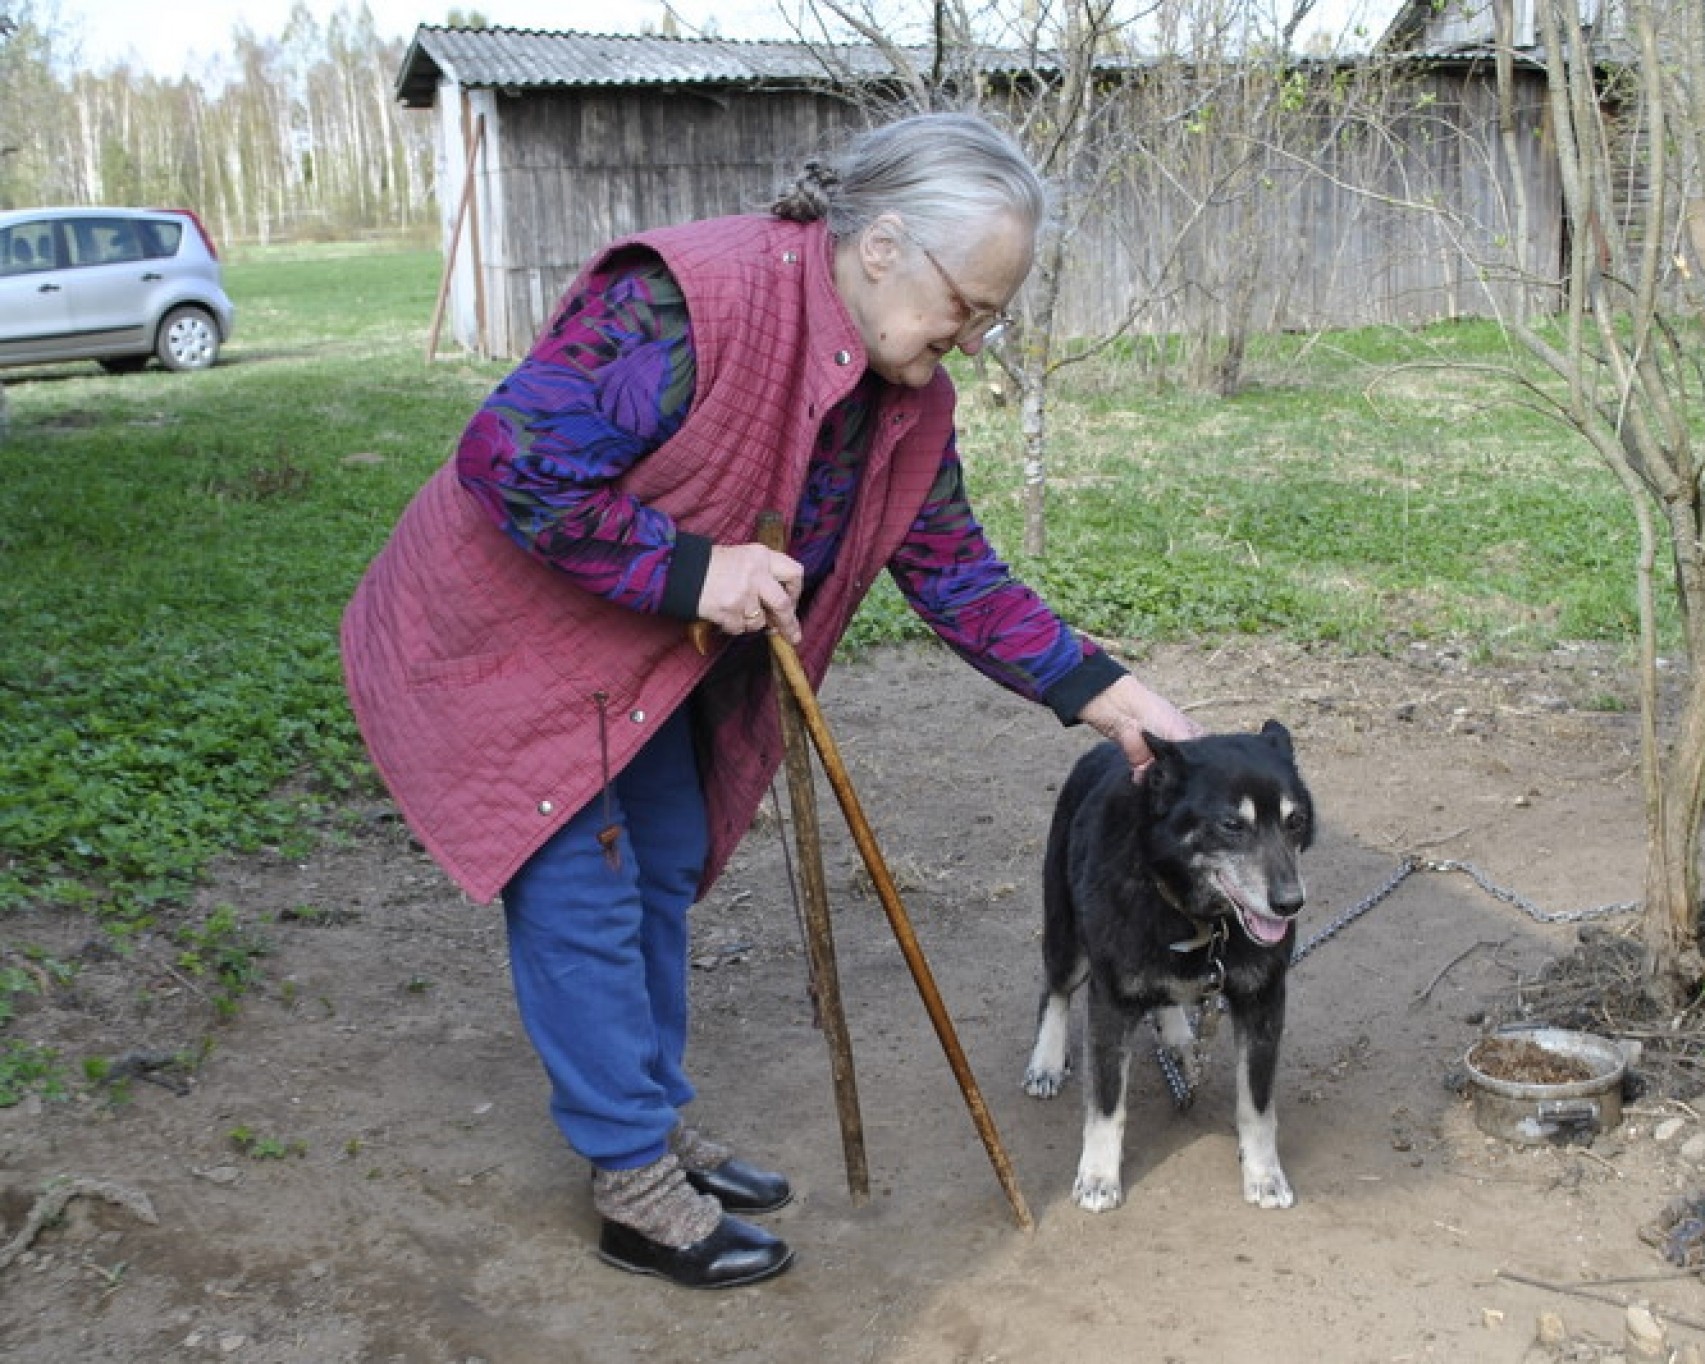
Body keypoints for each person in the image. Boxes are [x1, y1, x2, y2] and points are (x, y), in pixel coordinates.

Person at [339, 109, 1198, 1291]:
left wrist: (1116, 699)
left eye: (994, 316)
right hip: (507, 636)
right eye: (968, 304)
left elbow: (950, 569)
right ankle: (634, 1183)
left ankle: (653, 1119)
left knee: (660, 857)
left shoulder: (907, 396)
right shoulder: (689, 301)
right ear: (884, 244)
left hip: (636, 659)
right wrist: (703, 568)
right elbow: (512, 457)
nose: (975, 337)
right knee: (584, 890)